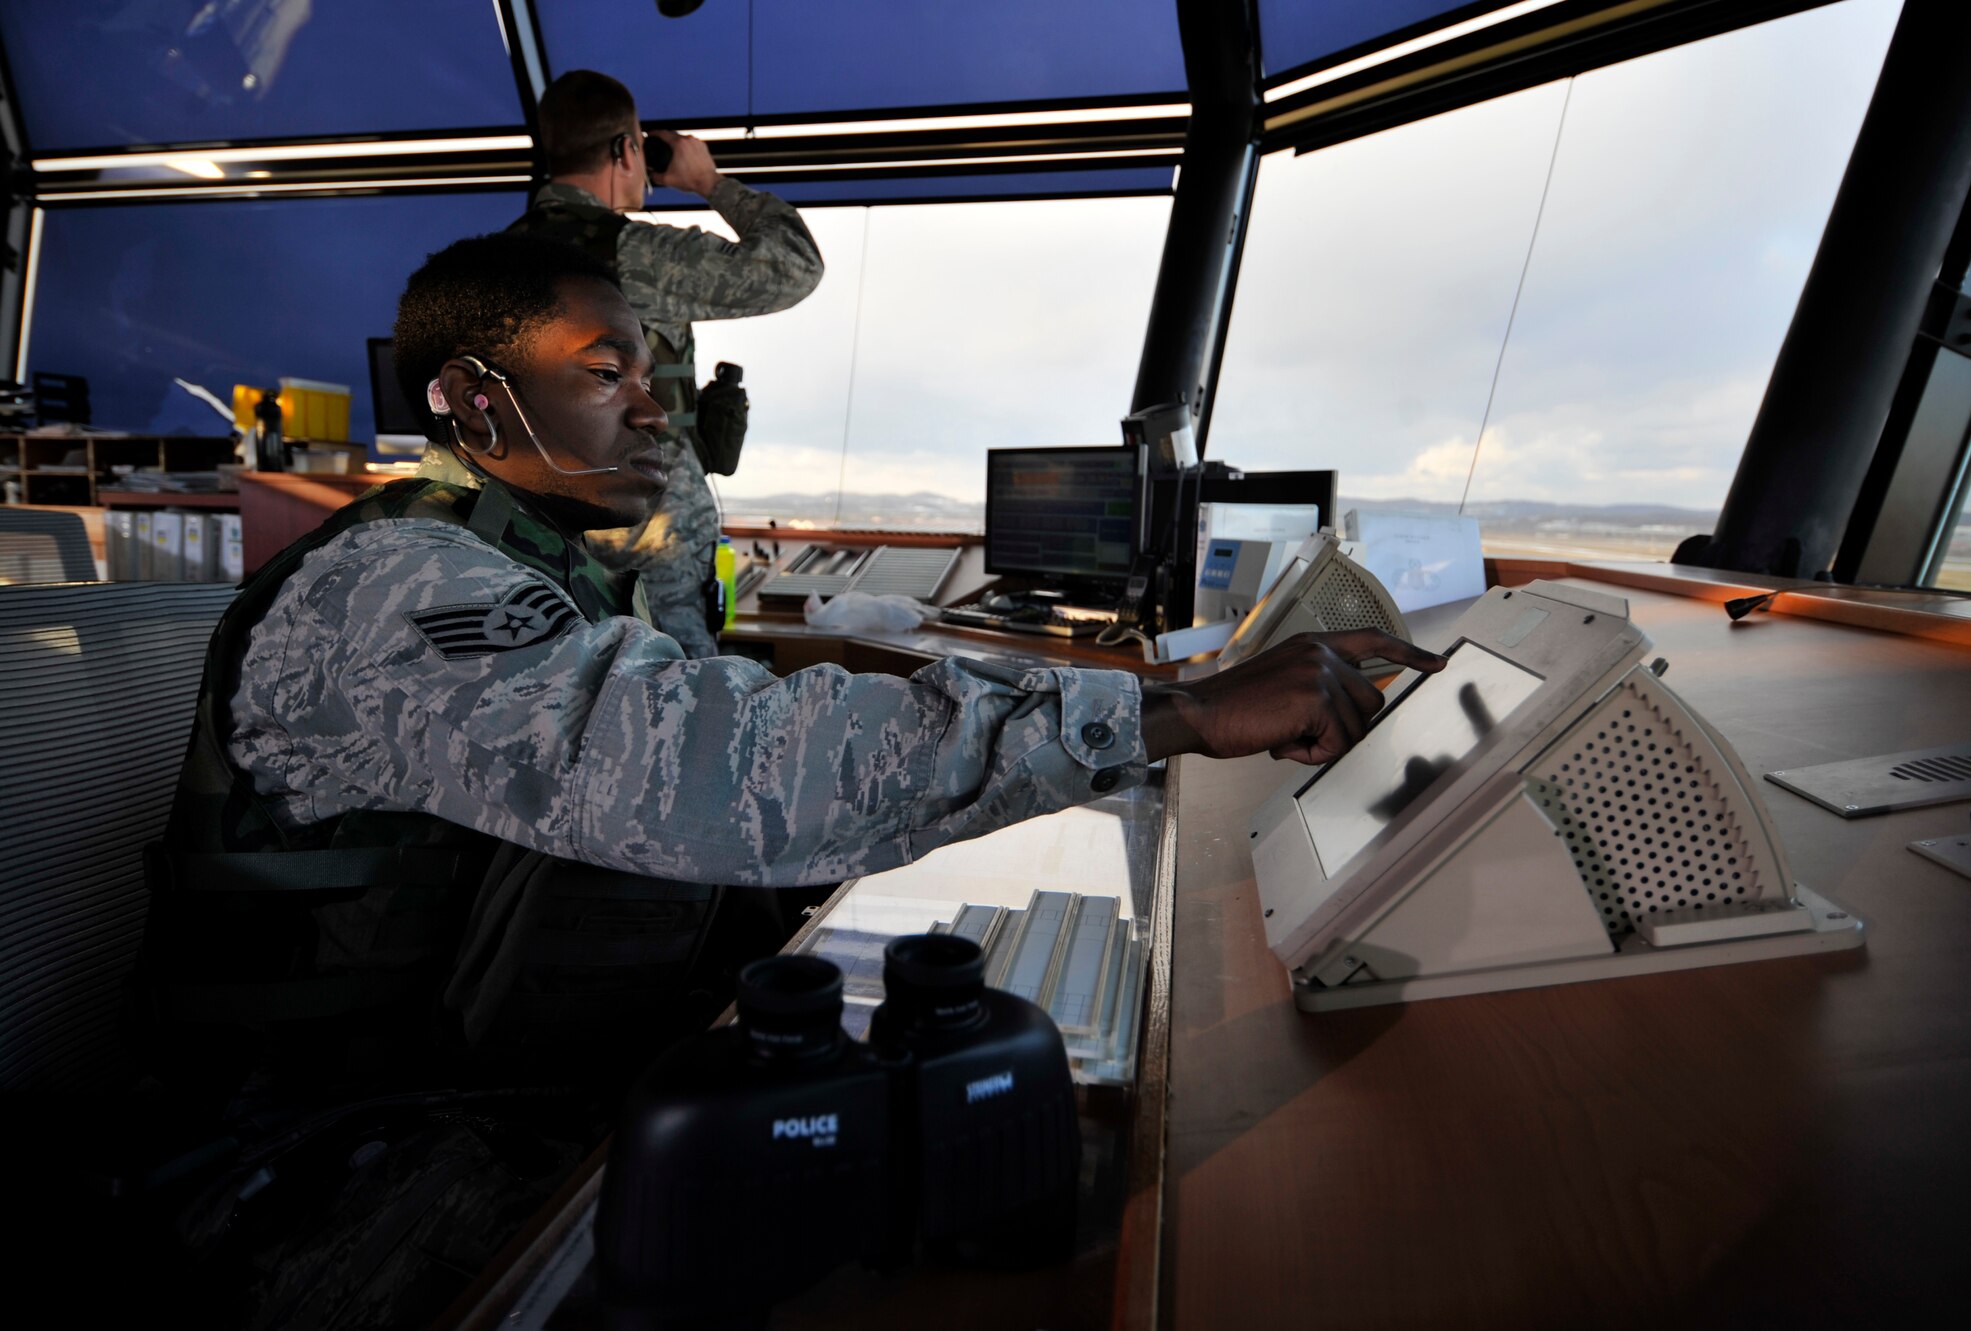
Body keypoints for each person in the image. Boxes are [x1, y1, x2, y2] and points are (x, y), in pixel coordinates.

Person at [138, 233, 1442, 1326]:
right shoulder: (401, 589)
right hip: (337, 1150)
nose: (653, 406)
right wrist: (1176, 709)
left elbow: (678, 687)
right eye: (607, 373)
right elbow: (712, 763)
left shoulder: (539, 555)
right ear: (474, 400)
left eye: (650, 373)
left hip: (483, 1071)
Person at [510, 68, 823, 658]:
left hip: (543, 529)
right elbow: (793, 267)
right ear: (628, 150)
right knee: (680, 700)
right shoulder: (630, 253)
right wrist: (709, 180)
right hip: (647, 533)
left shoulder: (498, 258)